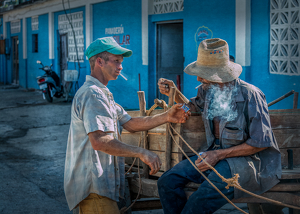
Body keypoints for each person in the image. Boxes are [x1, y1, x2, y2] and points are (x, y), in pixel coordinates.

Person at [64, 37, 190, 214]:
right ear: (99, 61)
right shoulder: (93, 94)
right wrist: (141, 152)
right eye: (116, 61)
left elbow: (130, 123)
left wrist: (167, 116)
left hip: (101, 185)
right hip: (94, 185)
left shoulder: (103, 93)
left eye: (121, 62)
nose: (120, 67)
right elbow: (99, 141)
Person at [157, 38, 281, 214]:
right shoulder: (207, 90)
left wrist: (217, 155)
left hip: (246, 162)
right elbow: (191, 107)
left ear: (221, 73)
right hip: (212, 154)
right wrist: (173, 94)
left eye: (204, 73)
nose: (199, 78)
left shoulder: (251, 95)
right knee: (167, 181)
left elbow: (260, 142)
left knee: (198, 203)